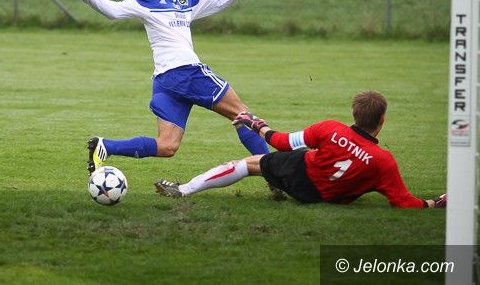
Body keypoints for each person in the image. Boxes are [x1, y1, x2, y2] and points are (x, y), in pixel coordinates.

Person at [66, 0, 270, 176]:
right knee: (243, 116)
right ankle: (275, 173)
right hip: (186, 72)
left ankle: (105, 146)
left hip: (165, 81)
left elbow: (219, 0)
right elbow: (112, 10)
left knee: (167, 146)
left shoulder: (186, 0)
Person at [154, 90, 448, 209]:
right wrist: (435, 202)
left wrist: (257, 125)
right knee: (285, 161)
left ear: (354, 114)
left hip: (299, 173)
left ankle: (185, 190)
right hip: (326, 197)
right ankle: (275, 183)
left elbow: (281, 141)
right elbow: (403, 202)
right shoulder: (383, 162)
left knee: (249, 164)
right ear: (382, 121)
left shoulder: (331, 129)